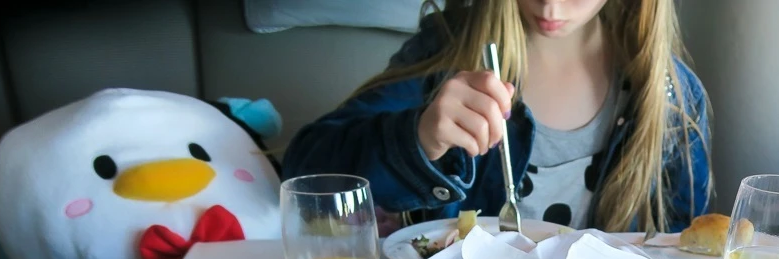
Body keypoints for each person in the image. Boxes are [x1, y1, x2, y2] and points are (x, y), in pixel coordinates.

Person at [282, 0, 711, 235]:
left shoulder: (670, 96)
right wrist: (419, 138)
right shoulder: (445, 50)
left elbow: (683, 256)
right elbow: (306, 172)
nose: (551, 6)